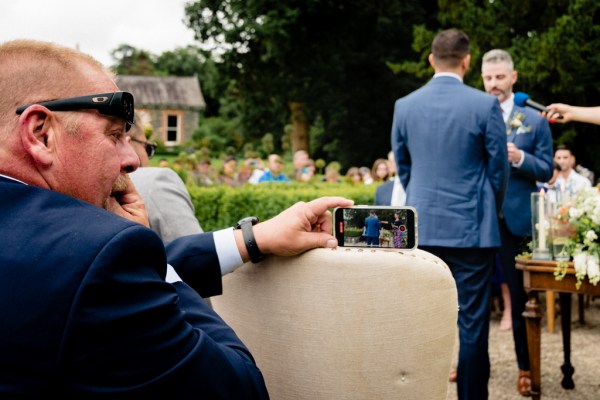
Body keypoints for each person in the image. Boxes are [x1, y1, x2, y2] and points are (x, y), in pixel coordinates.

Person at [0, 39, 354, 397]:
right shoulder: (102, 256)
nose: (133, 160)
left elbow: (77, 283)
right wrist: (146, 250)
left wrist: (251, 239)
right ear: (41, 134)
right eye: (114, 134)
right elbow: (238, 388)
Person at [391, 29, 509, 400]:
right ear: (467, 61)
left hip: (421, 228)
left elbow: (404, 168)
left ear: (430, 60)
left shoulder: (404, 105)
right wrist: (490, 209)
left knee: (420, 321)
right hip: (472, 230)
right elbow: (499, 170)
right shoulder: (483, 105)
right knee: (473, 325)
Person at [481, 48, 554, 396]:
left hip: (516, 221)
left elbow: (546, 168)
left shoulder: (534, 121)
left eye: (499, 77)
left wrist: (521, 157)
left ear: (513, 78)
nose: (493, 84)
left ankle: (525, 367)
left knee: (523, 297)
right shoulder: (473, 114)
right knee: (471, 297)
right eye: (487, 78)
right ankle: (472, 364)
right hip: (478, 217)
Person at [127, 114, 205, 241]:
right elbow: (196, 251)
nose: (148, 157)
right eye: (148, 147)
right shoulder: (154, 182)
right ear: (128, 142)